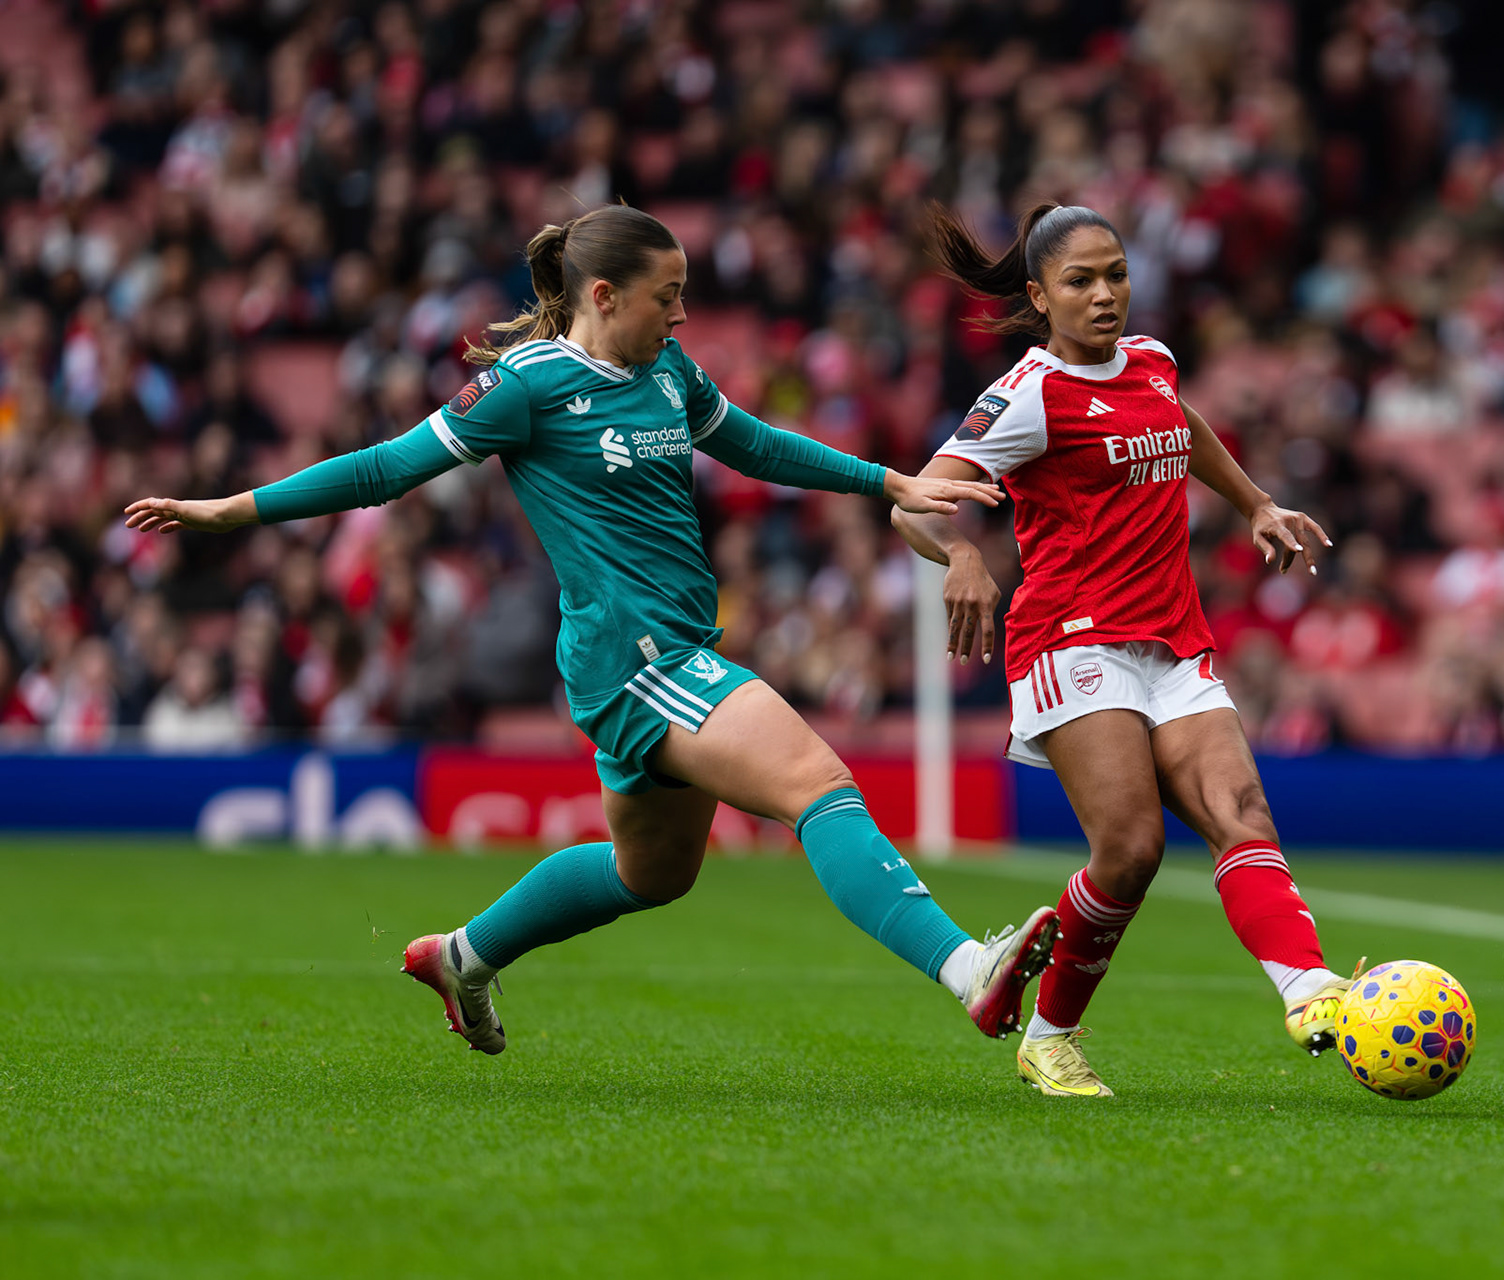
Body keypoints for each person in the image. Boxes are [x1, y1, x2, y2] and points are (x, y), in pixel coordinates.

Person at [125, 203, 1059, 1055]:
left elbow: (756, 445)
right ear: (605, 295)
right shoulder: (525, 386)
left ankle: (462, 955)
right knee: (817, 783)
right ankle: (968, 971)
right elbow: (384, 469)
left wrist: (886, 482)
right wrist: (231, 513)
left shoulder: (666, 371)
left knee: (651, 874)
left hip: (673, 649)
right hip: (633, 659)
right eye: (669, 296)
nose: (682, 316)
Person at [892, 203, 1356, 1098]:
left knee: (1240, 808)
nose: (1105, 295)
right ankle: (1050, 1036)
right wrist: (959, 555)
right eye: (1080, 281)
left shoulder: (1150, 361)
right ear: (1039, 295)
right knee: (1132, 848)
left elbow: (1181, 430)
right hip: (1073, 636)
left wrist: (1256, 501)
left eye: (1116, 275)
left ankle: (1312, 991)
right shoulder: (1027, 395)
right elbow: (915, 498)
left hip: (1172, 637)